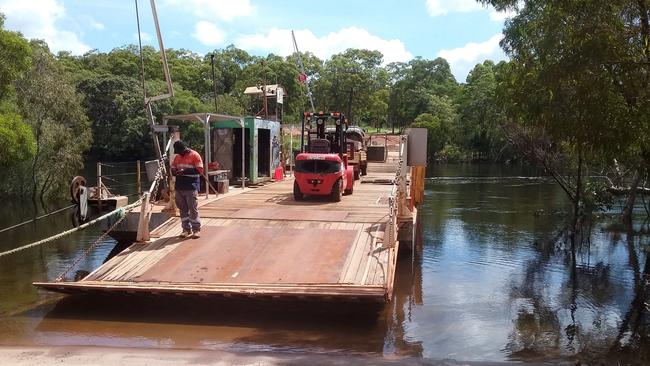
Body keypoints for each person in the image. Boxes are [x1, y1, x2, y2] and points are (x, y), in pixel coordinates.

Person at [171, 140, 204, 239]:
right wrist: (173, 170)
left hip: (191, 186)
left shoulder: (195, 155)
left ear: (184, 149)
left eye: (180, 151)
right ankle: (186, 229)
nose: (179, 153)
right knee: (182, 209)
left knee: (193, 209)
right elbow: (173, 167)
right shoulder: (177, 157)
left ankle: (196, 230)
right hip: (179, 186)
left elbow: (200, 170)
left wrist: (184, 171)